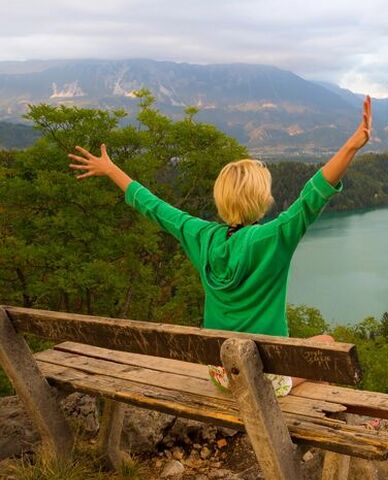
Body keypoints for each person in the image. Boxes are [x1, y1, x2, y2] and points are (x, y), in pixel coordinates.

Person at [68, 95, 372, 395]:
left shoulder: (200, 236)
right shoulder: (272, 238)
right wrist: (351, 145)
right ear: (262, 199)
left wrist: (111, 170)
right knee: (327, 345)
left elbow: (155, 207)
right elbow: (313, 195)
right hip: (265, 381)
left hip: (222, 375)